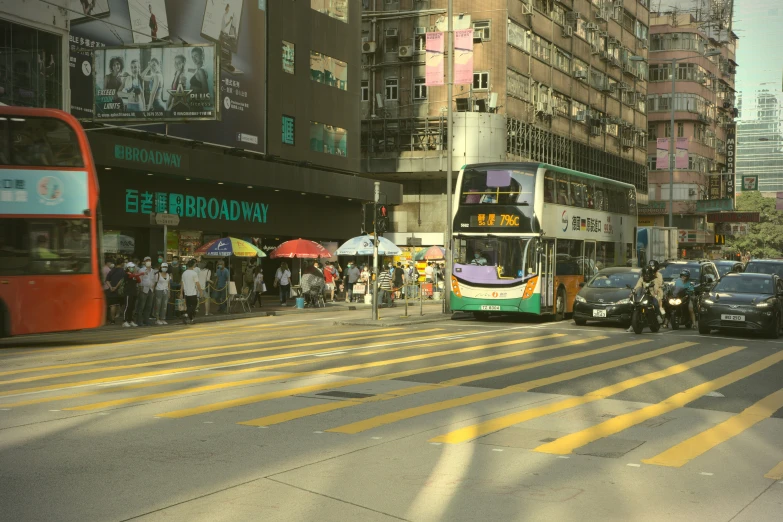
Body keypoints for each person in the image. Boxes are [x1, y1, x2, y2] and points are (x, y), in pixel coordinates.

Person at [135, 256, 155, 326]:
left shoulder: (152, 271)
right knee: (141, 306)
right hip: (143, 289)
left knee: (149, 306)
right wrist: (140, 289)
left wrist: (153, 287)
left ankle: (146, 320)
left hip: (151, 289)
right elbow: (139, 280)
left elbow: (153, 280)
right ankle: (139, 321)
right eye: (147, 260)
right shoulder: (141, 270)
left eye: (149, 260)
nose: (148, 262)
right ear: (144, 262)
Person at [181, 259, 201, 324]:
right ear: (193, 265)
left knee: (189, 305)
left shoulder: (184, 273)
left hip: (186, 293)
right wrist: (201, 291)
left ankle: (191, 318)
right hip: (193, 292)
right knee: (194, 305)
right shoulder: (194, 273)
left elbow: (182, 283)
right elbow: (197, 283)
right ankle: (186, 314)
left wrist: (181, 292)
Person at [121, 262, 141, 327]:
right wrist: (140, 274)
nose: (132, 268)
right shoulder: (126, 274)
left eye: (133, 267)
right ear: (128, 268)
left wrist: (136, 275)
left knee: (132, 307)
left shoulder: (134, 274)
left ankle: (130, 320)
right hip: (128, 293)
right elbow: (130, 276)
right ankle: (124, 321)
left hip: (134, 292)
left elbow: (139, 281)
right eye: (131, 267)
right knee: (127, 306)